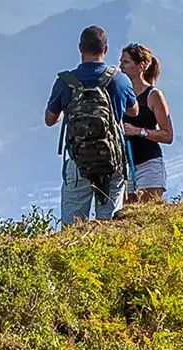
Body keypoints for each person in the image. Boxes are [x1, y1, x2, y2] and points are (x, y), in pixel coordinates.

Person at [44, 24, 137, 223]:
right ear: (106, 49)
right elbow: (134, 110)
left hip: (78, 161)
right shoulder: (119, 79)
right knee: (110, 226)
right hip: (113, 161)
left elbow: (49, 120)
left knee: (73, 227)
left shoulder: (65, 81)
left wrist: (66, 110)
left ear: (80, 48)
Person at [119, 43, 174, 205]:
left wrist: (138, 131)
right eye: (121, 62)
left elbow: (168, 135)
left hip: (149, 164)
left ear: (141, 66)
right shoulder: (120, 95)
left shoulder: (153, 95)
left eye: (126, 62)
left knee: (148, 213)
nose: (121, 67)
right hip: (125, 165)